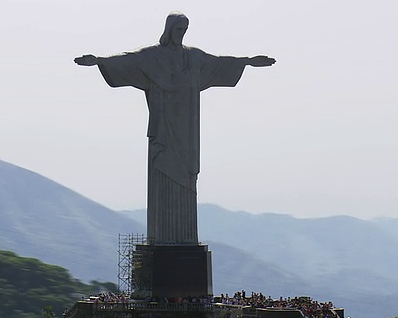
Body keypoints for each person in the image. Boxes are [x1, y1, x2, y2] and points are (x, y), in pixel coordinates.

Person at [75, 12, 275, 245]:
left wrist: (247, 61)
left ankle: (185, 238)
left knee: (186, 175)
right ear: (169, 30)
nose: (182, 34)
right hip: (163, 129)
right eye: (179, 29)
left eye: (185, 30)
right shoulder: (151, 57)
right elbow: (126, 61)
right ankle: (164, 238)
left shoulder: (193, 58)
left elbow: (218, 62)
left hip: (186, 131)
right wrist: (99, 61)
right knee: (162, 170)